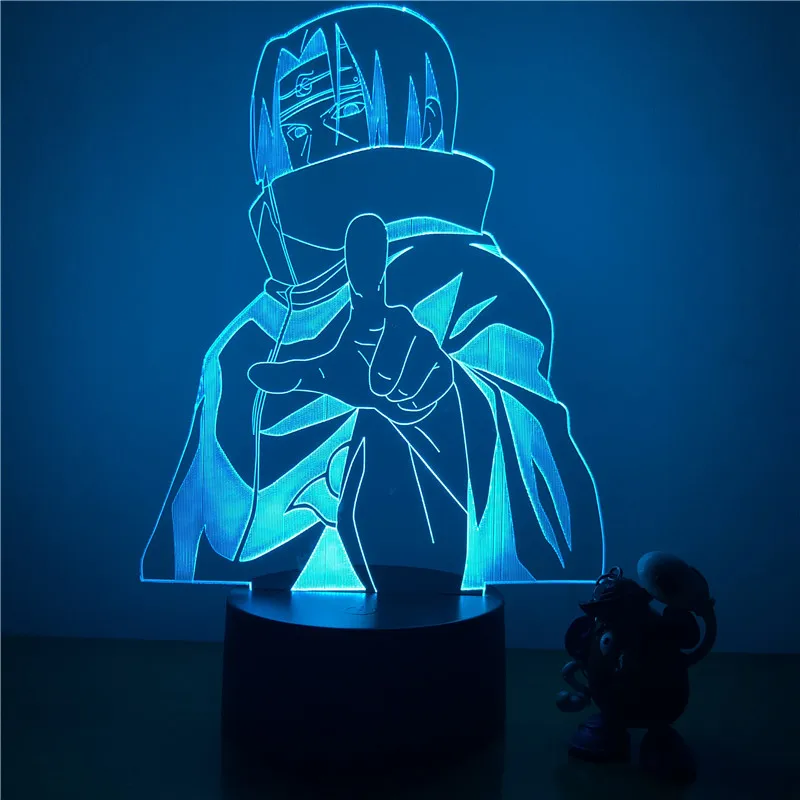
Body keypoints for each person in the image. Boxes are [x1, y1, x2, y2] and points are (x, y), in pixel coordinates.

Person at [140, 4, 605, 592]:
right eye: (295, 131)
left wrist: (432, 401)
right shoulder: (237, 347)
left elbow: (549, 517)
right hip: (257, 632)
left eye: (345, 112)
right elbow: (180, 549)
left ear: (425, 121)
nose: (316, 147)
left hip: (417, 625)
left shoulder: (468, 282)